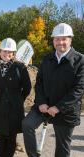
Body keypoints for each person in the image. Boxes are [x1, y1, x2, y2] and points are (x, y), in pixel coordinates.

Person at [22, 23, 84, 157]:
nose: (60, 42)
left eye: (64, 39)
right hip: (45, 106)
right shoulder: (47, 59)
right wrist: (41, 102)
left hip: (66, 111)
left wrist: (58, 107)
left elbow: (79, 89)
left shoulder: (80, 60)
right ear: (53, 40)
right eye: (57, 39)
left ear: (70, 39)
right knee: (27, 124)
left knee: (62, 148)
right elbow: (39, 83)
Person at [0, 38, 31, 157]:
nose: (7, 54)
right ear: (0, 51)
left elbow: (27, 88)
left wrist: (18, 100)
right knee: (0, 138)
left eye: (10, 52)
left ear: (13, 53)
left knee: (11, 139)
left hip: (14, 109)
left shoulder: (20, 68)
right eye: (4, 51)